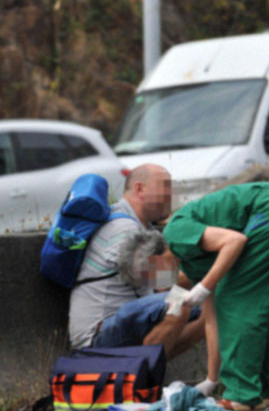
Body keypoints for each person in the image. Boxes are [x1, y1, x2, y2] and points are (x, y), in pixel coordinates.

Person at [146, 169, 269, 411]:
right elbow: (212, 322)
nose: (162, 285)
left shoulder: (175, 232)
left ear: (155, 258)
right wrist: (211, 380)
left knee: (236, 298)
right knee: (249, 302)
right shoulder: (196, 261)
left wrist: (205, 286)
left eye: (154, 276)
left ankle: (242, 394)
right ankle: (261, 392)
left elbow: (235, 241)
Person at [67, 165, 213, 393]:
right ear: (139, 189)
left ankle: (139, 374)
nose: (171, 194)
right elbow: (163, 285)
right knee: (178, 304)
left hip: (123, 322)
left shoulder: (136, 225)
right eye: (165, 186)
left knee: (209, 309)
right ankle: (142, 385)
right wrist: (210, 267)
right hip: (99, 335)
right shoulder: (123, 229)